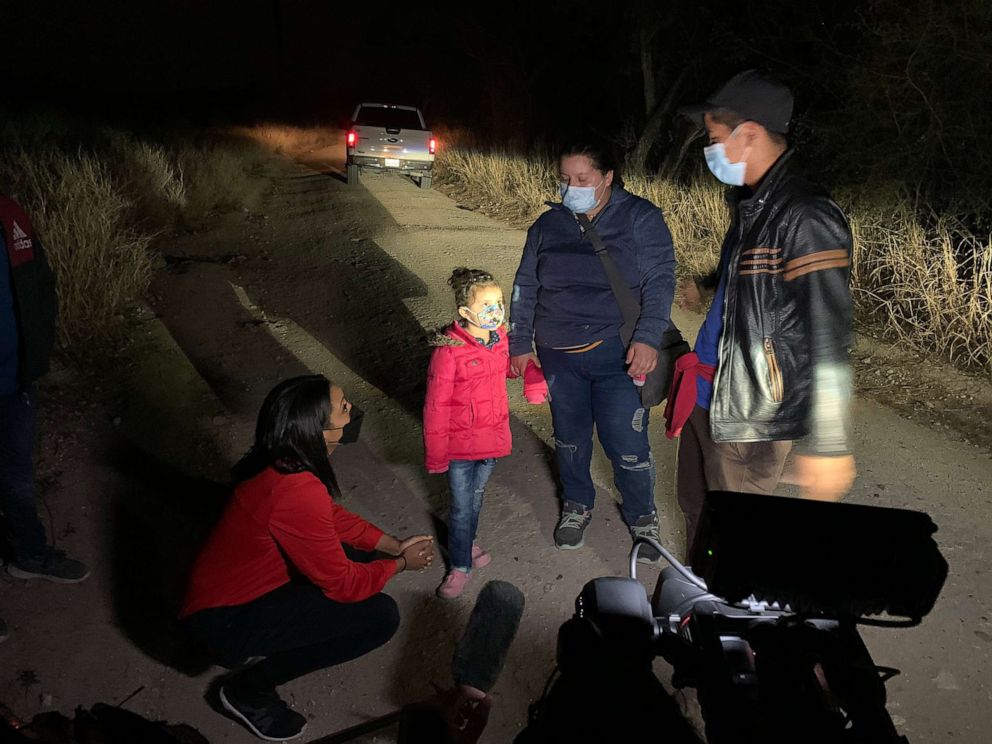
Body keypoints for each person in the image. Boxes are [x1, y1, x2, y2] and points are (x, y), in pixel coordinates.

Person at [180, 375, 436, 742]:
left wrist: (392, 544)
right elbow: (342, 584)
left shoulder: (280, 460)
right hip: (223, 621)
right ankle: (247, 690)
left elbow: (328, 517)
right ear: (318, 430)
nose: (351, 411)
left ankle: (261, 651)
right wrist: (400, 564)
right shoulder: (295, 489)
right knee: (378, 616)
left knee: (357, 556)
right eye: (343, 408)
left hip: (232, 593)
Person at [670, 69, 856, 554]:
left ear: (748, 134)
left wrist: (829, 445)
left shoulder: (806, 216)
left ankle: (730, 618)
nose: (709, 151)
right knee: (695, 507)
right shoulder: (753, 204)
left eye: (713, 139)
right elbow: (746, 270)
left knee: (739, 539)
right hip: (708, 390)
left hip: (750, 411)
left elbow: (830, 334)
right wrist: (708, 285)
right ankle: (698, 598)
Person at [509, 138, 677, 561]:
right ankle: (577, 504)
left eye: (582, 179)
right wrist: (519, 344)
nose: (572, 187)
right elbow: (525, 286)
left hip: (616, 353)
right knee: (569, 440)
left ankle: (642, 517)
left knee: (626, 443)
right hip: (557, 355)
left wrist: (648, 336)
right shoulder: (548, 225)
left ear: (607, 178)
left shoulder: (640, 218)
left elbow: (660, 280)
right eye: (565, 179)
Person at [424, 268, 547, 599]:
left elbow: (507, 370)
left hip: (491, 441)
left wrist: (528, 366)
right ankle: (460, 566)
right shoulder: (448, 353)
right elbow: (434, 409)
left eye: (499, 302)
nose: (496, 311)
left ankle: (466, 543)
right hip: (459, 449)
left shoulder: (500, 341)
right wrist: (436, 456)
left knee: (474, 500)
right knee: (463, 506)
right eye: (486, 305)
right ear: (465, 313)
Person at [1, 193, 89, 644]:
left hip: (14, 383)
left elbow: (40, 282)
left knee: (17, 481)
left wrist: (39, 349)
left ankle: (30, 557)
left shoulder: (11, 213)